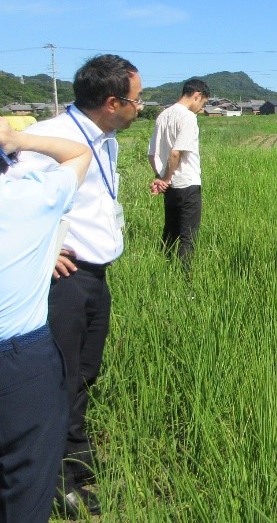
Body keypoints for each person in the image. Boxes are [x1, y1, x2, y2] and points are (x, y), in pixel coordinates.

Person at [9, 54, 143, 518]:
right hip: (62, 281)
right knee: (59, 381)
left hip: (95, 276)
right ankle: (57, 482)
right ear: (112, 103)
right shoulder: (50, 139)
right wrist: (45, 252)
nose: (140, 107)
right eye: (136, 99)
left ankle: (76, 460)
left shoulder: (106, 140)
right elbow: (10, 199)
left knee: (85, 373)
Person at [0, 119, 91, 523]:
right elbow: (78, 153)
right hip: (19, 359)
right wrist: (18, 138)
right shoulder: (30, 197)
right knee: (26, 481)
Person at [147, 78, 210, 270]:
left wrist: (162, 179)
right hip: (187, 184)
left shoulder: (163, 115)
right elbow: (176, 153)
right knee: (187, 237)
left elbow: (152, 154)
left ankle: (164, 271)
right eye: (203, 103)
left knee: (170, 233)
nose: (201, 108)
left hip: (170, 188)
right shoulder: (188, 117)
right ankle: (185, 280)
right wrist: (166, 178)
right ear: (197, 96)